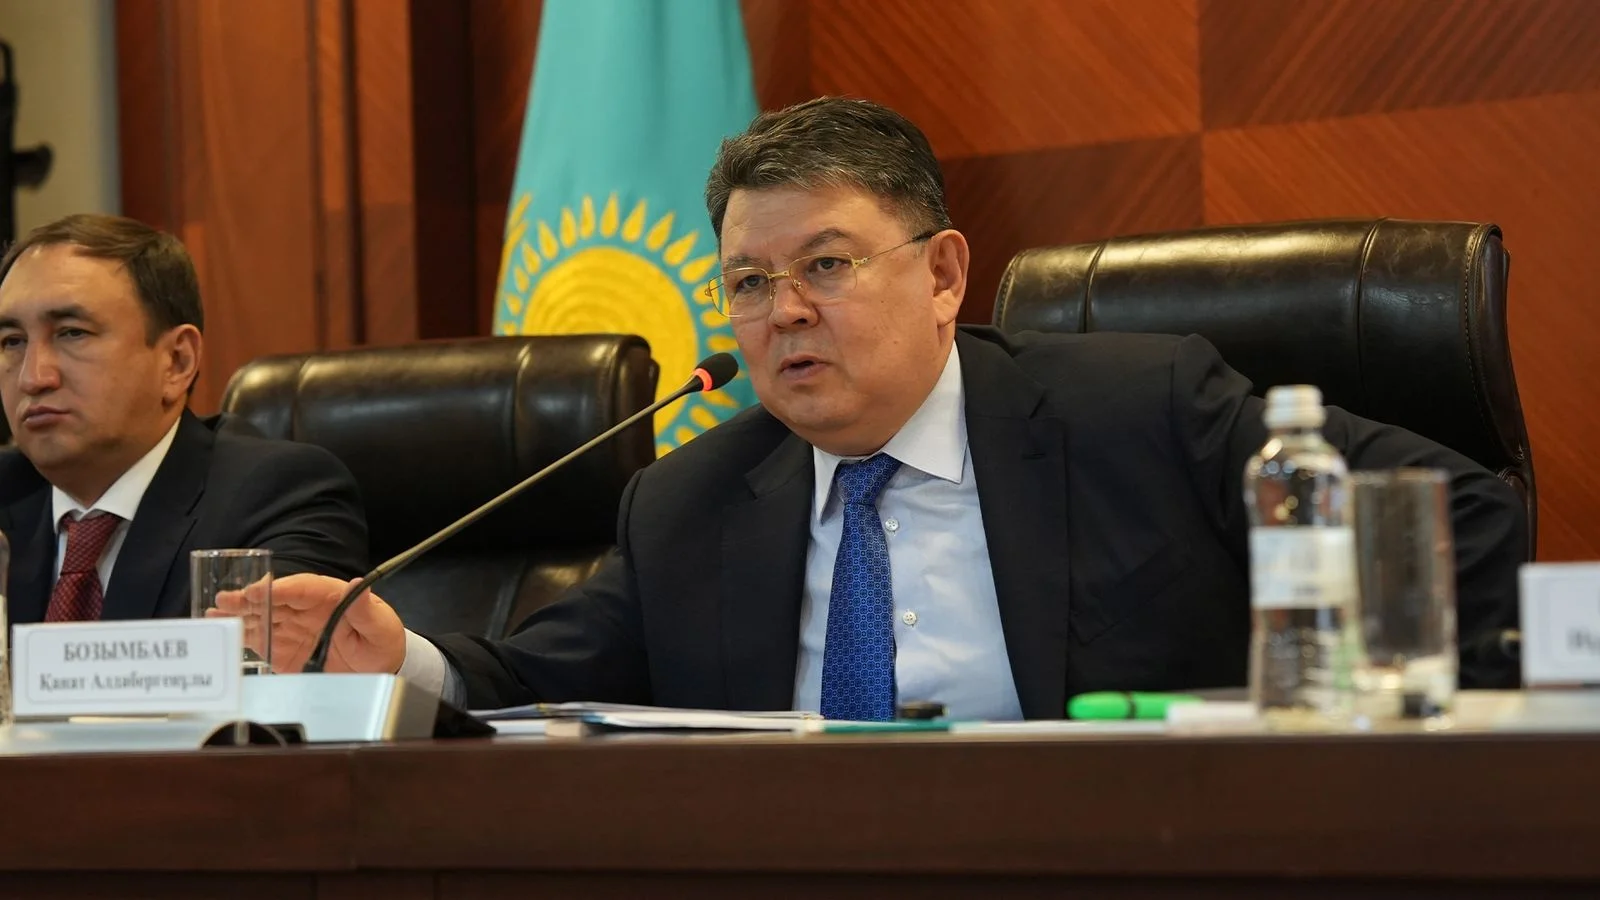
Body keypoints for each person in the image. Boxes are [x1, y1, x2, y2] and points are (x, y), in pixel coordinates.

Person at [255, 97, 1525, 719]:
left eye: (825, 264)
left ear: (943, 275)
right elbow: (545, 679)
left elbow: (1459, 517)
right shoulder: (689, 501)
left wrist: (1314, 723)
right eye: (747, 283)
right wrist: (399, 656)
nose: (782, 312)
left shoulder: (1141, 408)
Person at [0, 213, 368, 623]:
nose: (33, 378)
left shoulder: (278, 497)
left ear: (177, 361)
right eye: (12, 341)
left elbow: (261, 655)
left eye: (73, 332)